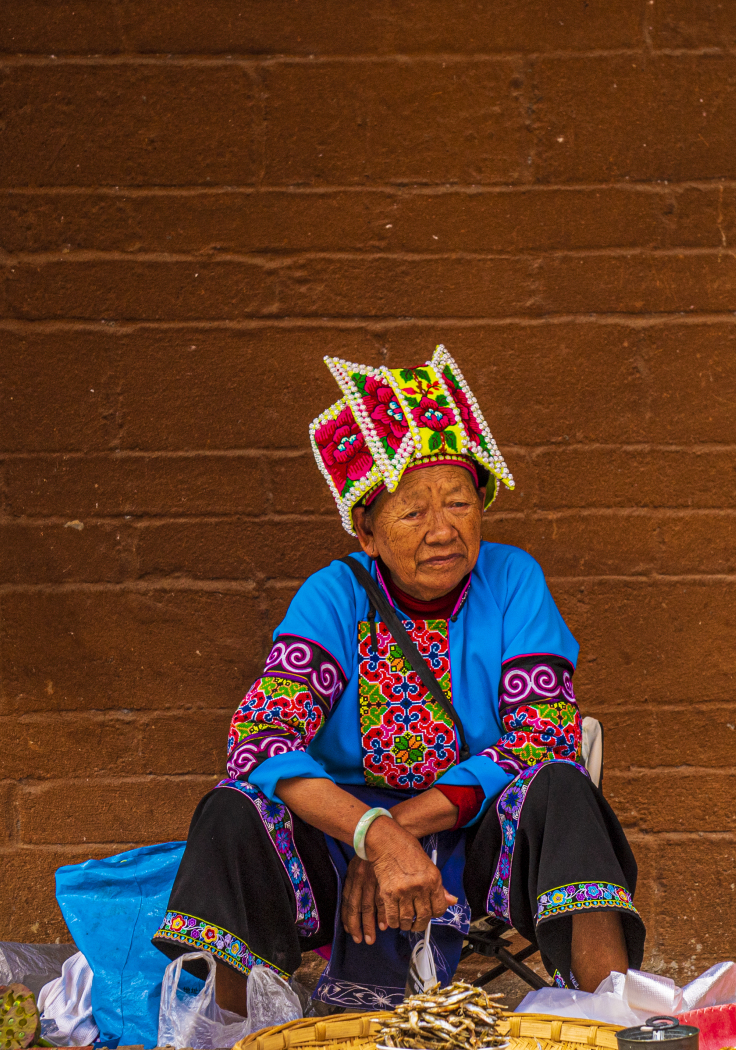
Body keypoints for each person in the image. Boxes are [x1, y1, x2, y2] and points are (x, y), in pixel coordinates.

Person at [154, 347, 644, 1014]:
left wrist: (396, 828)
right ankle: (227, 1042)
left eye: (460, 502)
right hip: (338, 844)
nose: (443, 529)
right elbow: (260, 737)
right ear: (367, 531)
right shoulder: (334, 596)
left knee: (562, 785)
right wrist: (369, 834)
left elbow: (542, 735)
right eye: (413, 511)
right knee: (232, 809)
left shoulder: (512, 580)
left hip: (476, 833)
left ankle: (618, 1021)